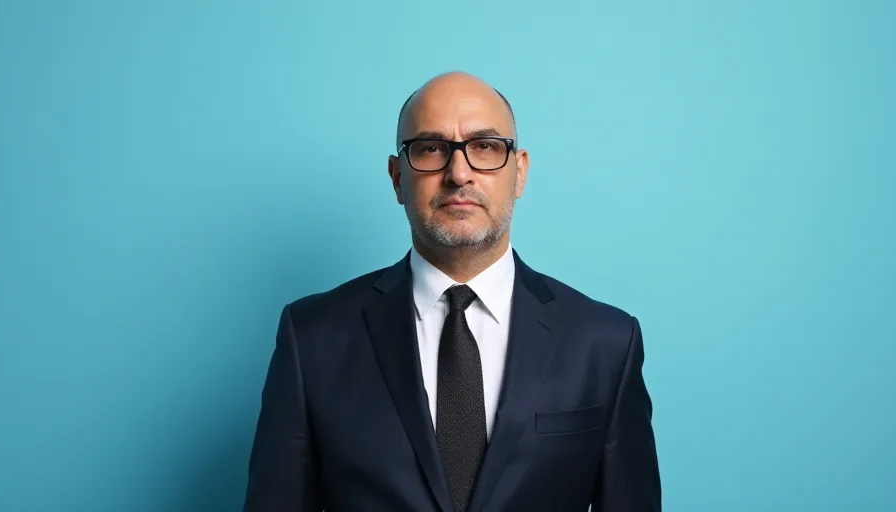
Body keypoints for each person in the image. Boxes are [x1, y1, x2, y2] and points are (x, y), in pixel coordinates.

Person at [242, 71, 661, 512]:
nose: (458, 173)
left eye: (485, 147)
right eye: (430, 149)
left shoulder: (606, 343)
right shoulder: (311, 338)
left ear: (518, 172)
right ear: (397, 177)